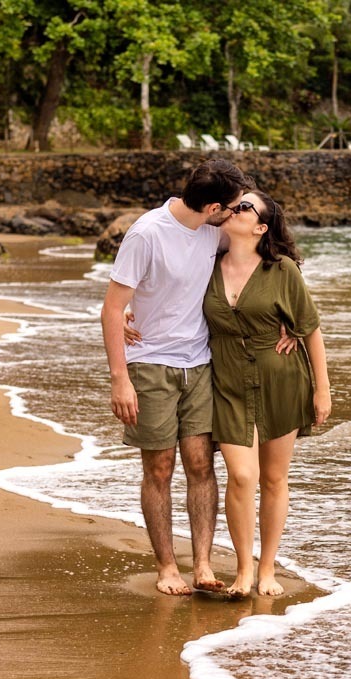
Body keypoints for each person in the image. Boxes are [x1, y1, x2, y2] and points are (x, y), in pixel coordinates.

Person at [100, 159, 252, 596]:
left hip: (201, 364)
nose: (237, 214)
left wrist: (283, 318)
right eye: (234, 206)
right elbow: (112, 308)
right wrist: (120, 380)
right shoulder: (147, 233)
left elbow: (262, 249)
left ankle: (202, 565)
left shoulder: (215, 228)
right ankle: (167, 567)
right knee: (160, 467)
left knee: (201, 464)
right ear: (213, 206)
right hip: (150, 365)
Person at [203, 190, 332, 597]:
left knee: (274, 479)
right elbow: (169, 296)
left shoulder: (283, 270)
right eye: (235, 203)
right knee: (242, 476)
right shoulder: (205, 265)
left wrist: (321, 390)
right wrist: (135, 312)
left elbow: (309, 327)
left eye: (244, 207)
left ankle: (267, 568)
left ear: (260, 227)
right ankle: (243, 569)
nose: (234, 209)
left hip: (282, 382)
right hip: (226, 382)